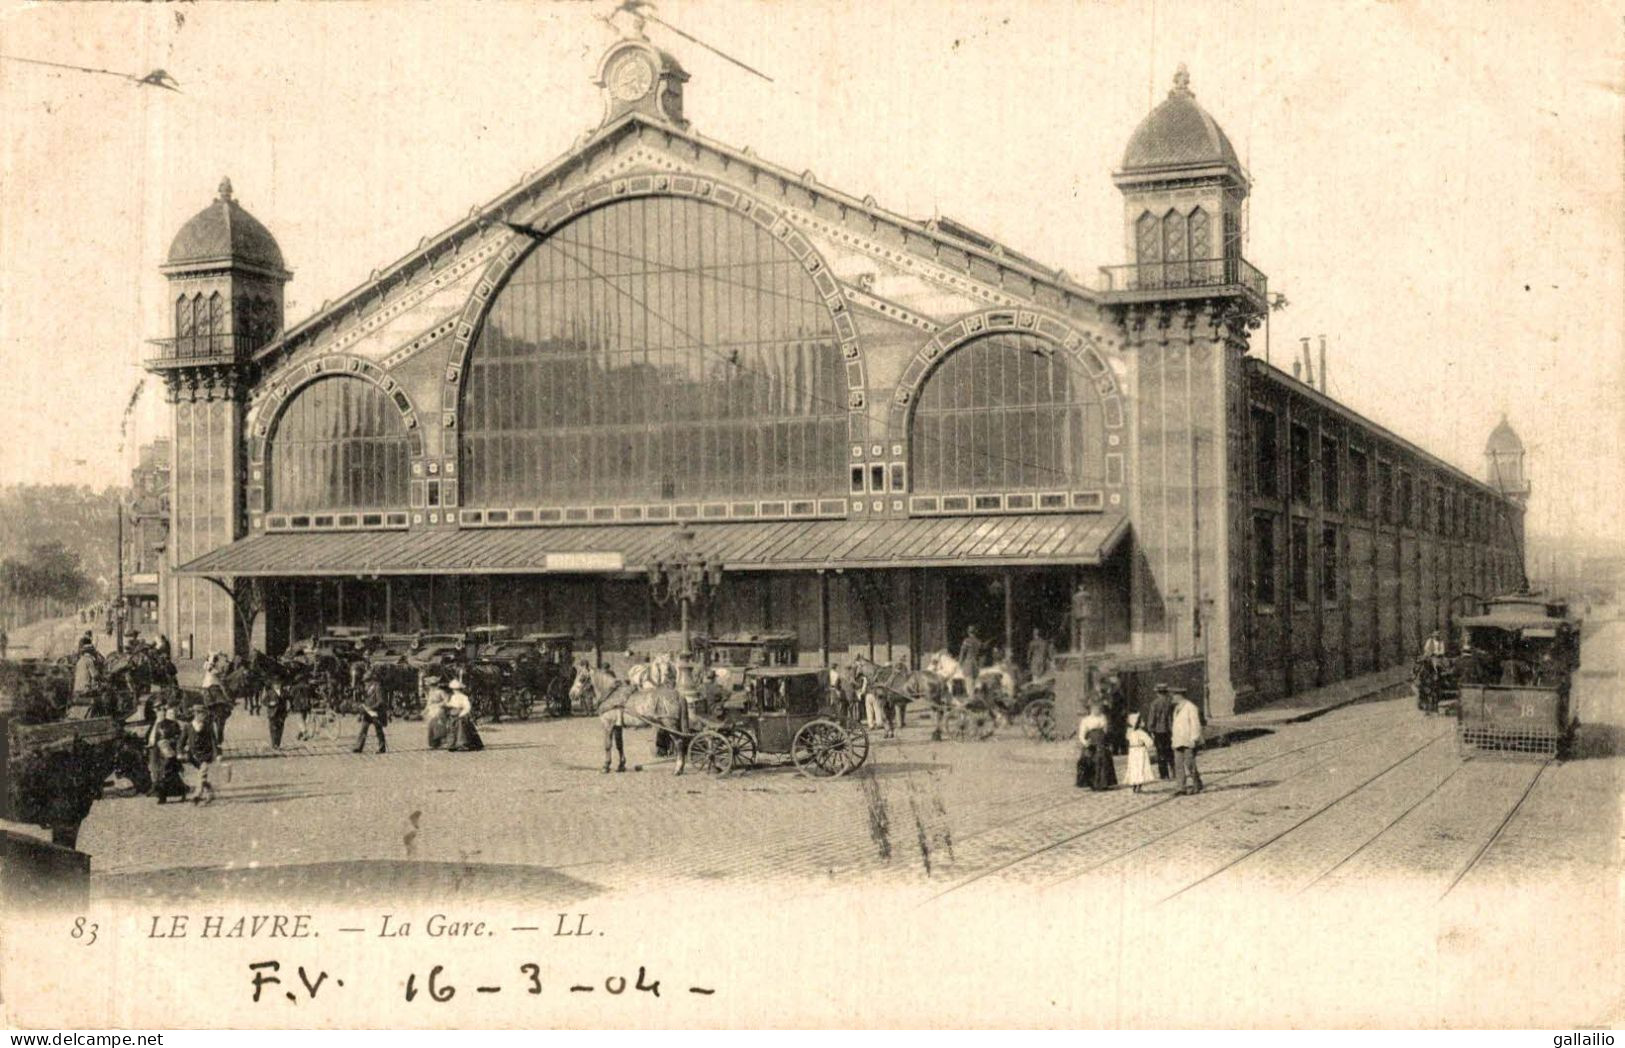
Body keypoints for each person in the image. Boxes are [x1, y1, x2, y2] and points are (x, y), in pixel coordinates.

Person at [147, 698, 189, 804]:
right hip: (154, 751)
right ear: (154, 711)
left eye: (162, 709)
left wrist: (169, 742)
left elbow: (179, 737)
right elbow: (150, 737)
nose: (160, 711)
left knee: (168, 774)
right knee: (157, 774)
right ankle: (161, 795)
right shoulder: (153, 724)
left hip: (167, 752)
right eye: (157, 709)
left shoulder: (171, 724)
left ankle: (177, 793)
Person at [180, 704, 218, 805]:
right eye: (201, 714)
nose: (204, 716)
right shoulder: (188, 726)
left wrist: (217, 754)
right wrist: (180, 752)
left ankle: (197, 795)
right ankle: (210, 793)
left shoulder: (208, 726)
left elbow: (214, 740)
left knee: (202, 773)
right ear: (195, 714)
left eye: (204, 714)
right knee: (203, 776)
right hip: (194, 756)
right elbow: (181, 741)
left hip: (206, 754)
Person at [1170, 688, 1204, 796]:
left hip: (1188, 740)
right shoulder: (1176, 709)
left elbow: (1195, 724)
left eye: (1173, 695)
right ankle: (1181, 787)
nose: (1172, 697)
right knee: (1178, 765)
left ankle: (1197, 783)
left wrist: (1195, 738)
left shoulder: (1191, 707)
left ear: (1179, 695)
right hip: (1178, 741)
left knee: (1190, 764)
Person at [353, 670, 389, 754]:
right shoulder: (367, 688)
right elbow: (366, 700)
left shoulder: (378, 687)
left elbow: (381, 701)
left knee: (378, 730)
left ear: (372, 680)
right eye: (365, 681)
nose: (366, 683)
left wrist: (372, 708)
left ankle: (382, 747)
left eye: (367, 681)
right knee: (363, 729)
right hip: (368, 712)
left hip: (376, 712)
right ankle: (358, 747)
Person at [1145, 683, 1176, 781]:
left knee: (1161, 753)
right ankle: (1174, 771)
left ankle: (1164, 774)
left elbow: (1152, 718)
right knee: (1170, 752)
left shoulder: (1155, 703)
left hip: (1158, 731)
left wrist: (1150, 729)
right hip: (1170, 730)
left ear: (1158, 692)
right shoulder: (1171, 702)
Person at [444, 679, 484, 752]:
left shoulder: (464, 697)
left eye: (457, 689)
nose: (455, 691)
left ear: (460, 690)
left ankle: (463, 744)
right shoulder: (453, 697)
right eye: (454, 689)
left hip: (461, 714)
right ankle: (453, 744)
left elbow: (467, 707)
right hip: (453, 713)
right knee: (452, 729)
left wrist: (462, 714)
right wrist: (447, 705)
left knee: (461, 729)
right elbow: (451, 704)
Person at [1124, 712, 1155, 794]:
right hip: (1140, 751)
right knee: (1140, 767)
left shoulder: (1129, 732)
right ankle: (1139, 786)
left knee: (1133, 768)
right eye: (1141, 721)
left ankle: (1134, 785)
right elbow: (1150, 743)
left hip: (1132, 751)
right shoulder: (1141, 733)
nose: (1143, 723)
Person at [422, 675, 452, 749]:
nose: (431, 687)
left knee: (439, 725)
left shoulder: (441, 692)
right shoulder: (430, 693)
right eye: (430, 685)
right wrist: (425, 710)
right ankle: (434, 742)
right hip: (431, 710)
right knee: (431, 725)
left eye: (433, 685)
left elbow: (447, 700)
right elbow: (428, 703)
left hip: (439, 710)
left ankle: (442, 741)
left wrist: (439, 705)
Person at [264, 683, 289, 749]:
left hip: (281, 713)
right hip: (272, 713)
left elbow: (288, 700)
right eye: (276, 684)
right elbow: (264, 701)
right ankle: (273, 743)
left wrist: (287, 709)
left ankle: (278, 743)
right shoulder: (269, 692)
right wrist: (270, 703)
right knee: (273, 728)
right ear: (273, 685)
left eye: (278, 684)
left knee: (280, 728)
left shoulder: (284, 692)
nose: (277, 685)